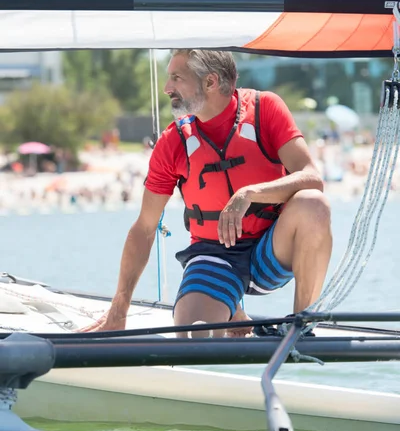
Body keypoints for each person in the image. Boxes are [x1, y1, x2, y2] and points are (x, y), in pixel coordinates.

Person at [83, 49, 332, 337]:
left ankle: (300, 326)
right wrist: (119, 308)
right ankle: (232, 307)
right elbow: (144, 228)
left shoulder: (266, 109)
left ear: (210, 82)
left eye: (177, 78)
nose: (167, 89)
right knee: (193, 336)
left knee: (313, 203)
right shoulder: (173, 142)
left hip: (271, 251)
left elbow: (312, 178)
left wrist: (248, 193)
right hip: (215, 257)